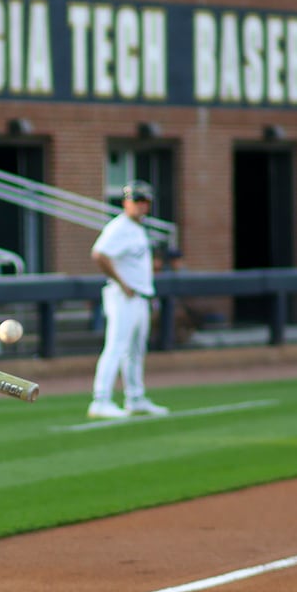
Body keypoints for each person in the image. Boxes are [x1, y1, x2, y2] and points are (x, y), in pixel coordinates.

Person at [88, 180, 168, 419]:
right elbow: (99, 254)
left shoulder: (139, 228)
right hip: (123, 296)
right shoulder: (119, 227)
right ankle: (100, 399)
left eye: (144, 201)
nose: (141, 206)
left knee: (135, 351)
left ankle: (135, 398)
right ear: (126, 202)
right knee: (116, 347)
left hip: (140, 296)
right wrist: (123, 283)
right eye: (136, 201)